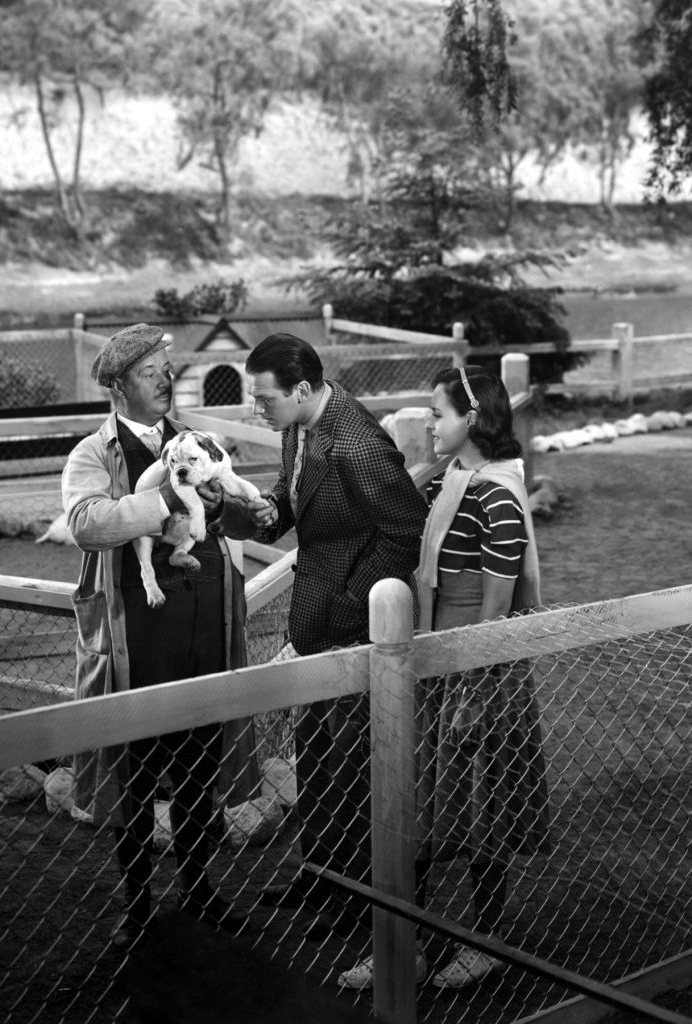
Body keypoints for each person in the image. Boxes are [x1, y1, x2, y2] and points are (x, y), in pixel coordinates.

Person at [338, 364, 550, 991]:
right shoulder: (453, 482)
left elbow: (497, 602)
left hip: (477, 664)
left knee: (482, 801)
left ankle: (485, 939)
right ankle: (411, 943)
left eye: (438, 413)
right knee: (417, 804)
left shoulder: (497, 494)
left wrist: (476, 690)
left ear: (473, 419)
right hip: (436, 657)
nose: (428, 424)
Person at [63, 322, 265, 951]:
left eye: (166, 372)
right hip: (139, 629)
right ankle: (138, 902)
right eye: (150, 374)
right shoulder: (93, 455)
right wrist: (165, 507)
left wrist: (236, 502)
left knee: (201, 758)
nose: (165, 382)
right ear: (119, 386)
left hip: (205, 619)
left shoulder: (195, 441)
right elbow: (85, 523)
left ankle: (200, 886)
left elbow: (229, 514)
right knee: (136, 765)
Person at [244, 332, 428, 941]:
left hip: (351, 626)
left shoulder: (356, 442)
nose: (257, 409)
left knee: (352, 764)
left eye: (263, 398)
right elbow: (298, 493)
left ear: (300, 389)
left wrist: (352, 606)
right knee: (318, 755)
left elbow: (405, 528)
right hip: (315, 623)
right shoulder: (300, 421)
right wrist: (271, 510)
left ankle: (355, 900)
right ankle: (319, 873)